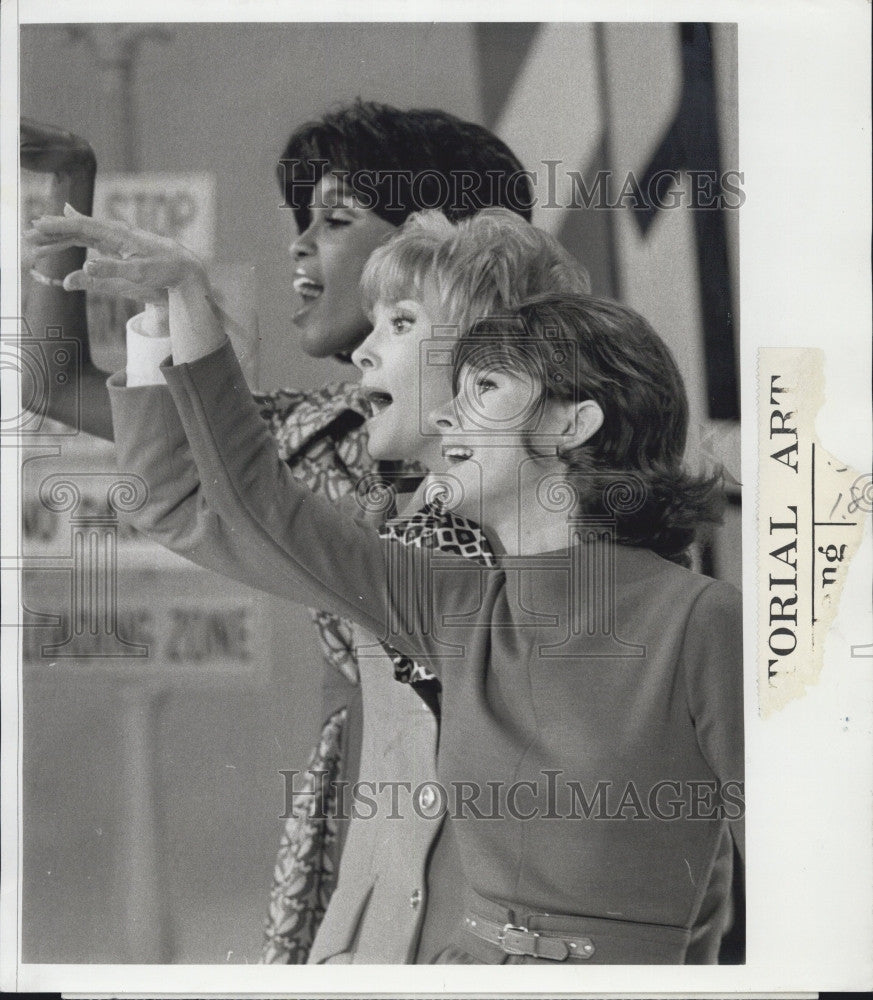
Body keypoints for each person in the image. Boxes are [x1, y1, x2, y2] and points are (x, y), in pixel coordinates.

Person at [30, 207, 743, 963]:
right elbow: (253, 501)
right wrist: (182, 300)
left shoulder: (702, 624)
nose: (444, 415)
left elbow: (801, 876)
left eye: (485, 388)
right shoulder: (455, 603)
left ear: (572, 424)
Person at [20, 103, 538, 963]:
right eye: (301, 221)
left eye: (334, 221)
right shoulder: (309, 432)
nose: (299, 246)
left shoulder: (534, 441)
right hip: (364, 798)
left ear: (442, 249)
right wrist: (68, 189)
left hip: (501, 814)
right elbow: (54, 384)